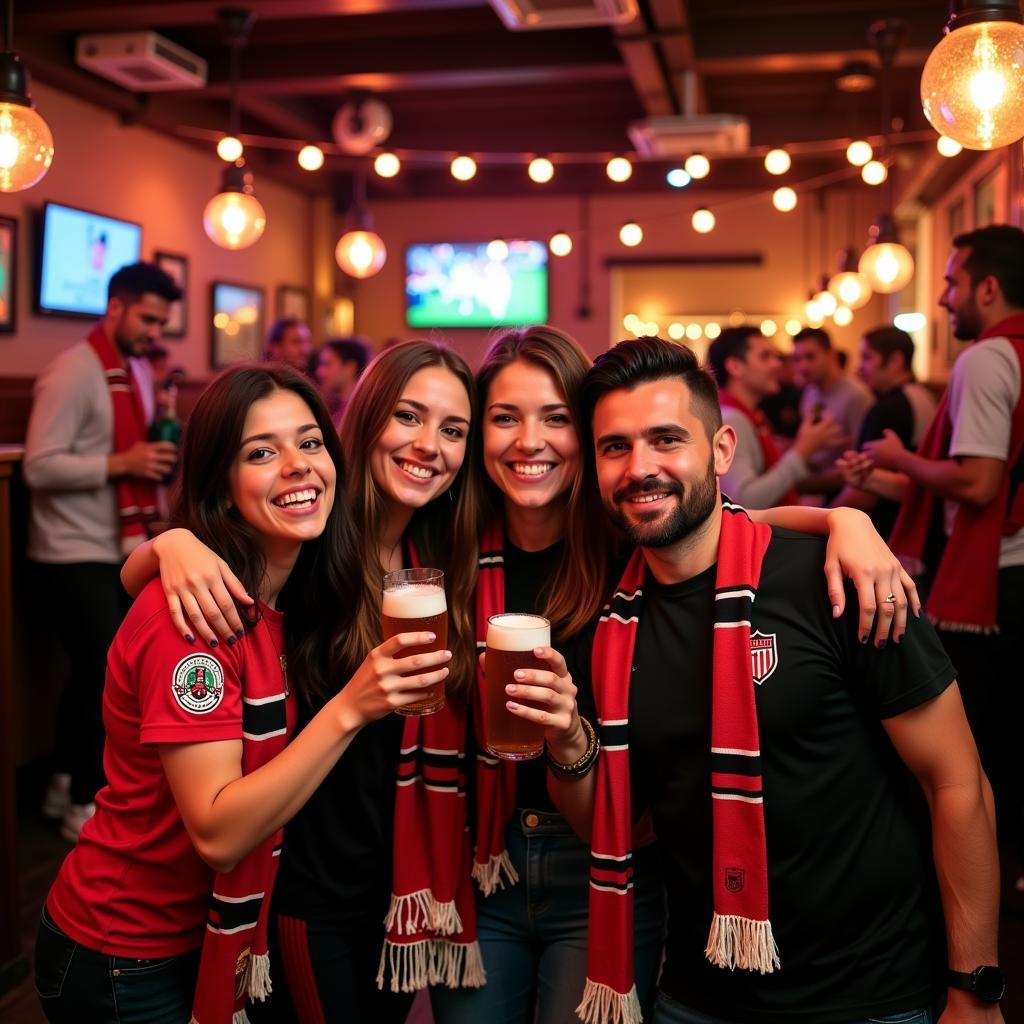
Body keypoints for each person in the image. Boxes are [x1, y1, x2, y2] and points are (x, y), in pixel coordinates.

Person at [545, 337, 1002, 1024]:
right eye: (615, 447)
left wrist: (974, 989)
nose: (641, 468)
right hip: (699, 998)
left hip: (872, 999)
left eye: (667, 440)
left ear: (722, 450)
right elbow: (624, 826)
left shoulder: (840, 580)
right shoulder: (610, 625)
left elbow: (958, 782)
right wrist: (563, 739)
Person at [34, 365, 451, 1024]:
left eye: (310, 443)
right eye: (262, 452)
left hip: (210, 939)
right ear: (222, 488)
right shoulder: (193, 618)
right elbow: (221, 835)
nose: (297, 466)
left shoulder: (288, 589)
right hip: (125, 952)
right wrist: (353, 706)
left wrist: (159, 548)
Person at [843, 224, 1024, 888]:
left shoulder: (987, 358)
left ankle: (958, 897)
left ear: (988, 286)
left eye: (952, 283)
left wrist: (899, 458)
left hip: (995, 584)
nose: (945, 300)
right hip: (1007, 571)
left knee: (961, 761)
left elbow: (977, 483)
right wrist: (896, 477)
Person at [24, 262, 182, 841]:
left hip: (115, 545)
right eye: (147, 318)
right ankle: (85, 804)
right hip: (69, 551)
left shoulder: (136, 370)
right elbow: (38, 467)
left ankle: (63, 782)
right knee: (104, 672)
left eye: (161, 322)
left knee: (92, 672)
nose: (154, 332)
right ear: (114, 307)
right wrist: (124, 463)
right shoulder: (73, 371)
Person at [708, 327, 844, 508]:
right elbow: (743, 501)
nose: (777, 364)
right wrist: (802, 451)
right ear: (735, 367)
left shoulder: (751, 415)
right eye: (765, 357)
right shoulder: (731, 420)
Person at [832, 326, 937, 537]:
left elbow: (864, 492)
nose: (859, 368)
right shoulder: (925, 395)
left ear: (895, 361)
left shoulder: (887, 409)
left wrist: (823, 517)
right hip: (924, 523)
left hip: (892, 529)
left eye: (867, 358)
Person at [792, 327, 871, 499]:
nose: (803, 365)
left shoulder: (856, 395)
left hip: (843, 489)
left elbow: (863, 456)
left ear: (831, 355)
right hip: (814, 482)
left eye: (810, 357)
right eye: (797, 359)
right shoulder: (810, 391)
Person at [316, 336, 372, 428]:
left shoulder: (362, 412)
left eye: (327, 364)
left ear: (350, 368)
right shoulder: (333, 408)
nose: (319, 371)